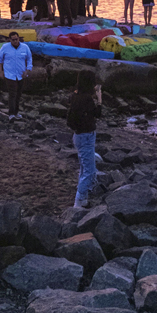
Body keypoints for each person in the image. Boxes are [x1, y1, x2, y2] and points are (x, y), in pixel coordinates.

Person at [67, 69, 101, 208]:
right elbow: (97, 114)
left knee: (84, 167)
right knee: (89, 171)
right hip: (86, 136)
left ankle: (83, 198)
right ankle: (79, 201)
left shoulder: (75, 96)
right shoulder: (87, 99)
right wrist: (99, 98)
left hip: (78, 135)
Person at [0, 31, 33, 119]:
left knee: (19, 94)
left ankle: (16, 112)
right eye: (13, 40)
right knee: (12, 93)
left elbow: (29, 59)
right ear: (10, 40)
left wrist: (27, 70)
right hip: (10, 74)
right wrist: (0, 71)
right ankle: (11, 113)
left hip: (21, 74)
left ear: (18, 38)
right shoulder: (5, 47)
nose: (15, 41)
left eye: (16, 39)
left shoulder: (25, 47)